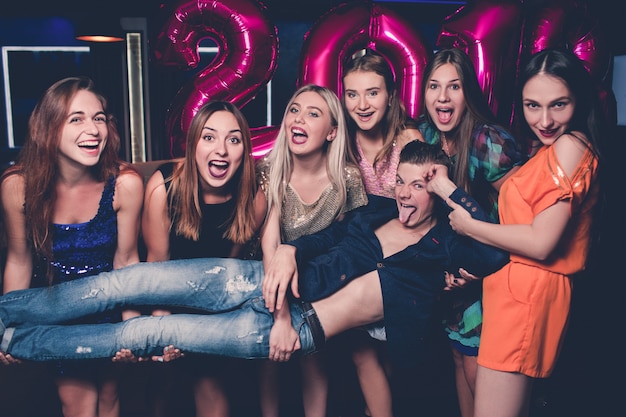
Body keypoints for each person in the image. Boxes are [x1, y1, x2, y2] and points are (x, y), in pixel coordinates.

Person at [0, 142, 508, 417]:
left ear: (439, 193)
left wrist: (450, 190)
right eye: (405, 181)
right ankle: (6, 315)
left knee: (146, 333)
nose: (408, 194)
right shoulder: (373, 213)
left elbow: (494, 251)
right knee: (127, 283)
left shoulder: (445, 246)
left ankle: (17, 344)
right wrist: (286, 249)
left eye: (424, 187)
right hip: (250, 279)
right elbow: (314, 243)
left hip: (290, 329)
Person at [429, 48, 603, 417]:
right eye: (532, 105)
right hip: (509, 296)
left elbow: (542, 242)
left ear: (579, 101)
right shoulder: (549, 150)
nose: (544, 120)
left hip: (526, 299)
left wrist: (471, 226)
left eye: (559, 105)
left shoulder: (572, 145)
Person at [0, 76, 144, 417]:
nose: (93, 129)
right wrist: (8, 327)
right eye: (76, 118)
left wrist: (135, 329)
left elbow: (127, 262)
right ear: (45, 128)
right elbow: (19, 261)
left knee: (109, 402)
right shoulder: (17, 186)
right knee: (78, 406)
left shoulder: (125, 185)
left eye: (99, 118)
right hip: (54, 314)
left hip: (110, 314)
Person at [138, 100, 267, 417]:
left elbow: (229, 272)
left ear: (244, 151)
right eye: (209, 137)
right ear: (193, 144)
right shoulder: (163, 186)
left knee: (210, 384)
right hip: (164, 298)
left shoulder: (255, 198)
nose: (221, 150)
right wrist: (163, 330)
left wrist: (211, 332)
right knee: (161, 388)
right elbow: (156, 265)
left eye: (233, 139)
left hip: (216, 307)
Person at [417, 47, 526, 417]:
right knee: (458, 362)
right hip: (454, 278)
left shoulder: (488, 142)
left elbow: (525, 221)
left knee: (476, 370)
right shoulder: (426, 136)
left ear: (469, 93)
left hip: (495, 274)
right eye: (434, 86)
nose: (442, 97)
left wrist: (478, 274)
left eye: (454, 86)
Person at [255, 84, 367, 417]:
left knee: (314, 356)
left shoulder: (347, 179)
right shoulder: (267, 172)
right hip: (267, 280)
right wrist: (280, 317)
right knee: (268, 358)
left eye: (312, 113)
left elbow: (349, 240)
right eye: (294, 110)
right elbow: (269, 244)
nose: (298, 119)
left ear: (332, 132)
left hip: (318, 286)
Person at [339, 49, 424, 417]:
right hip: (358, 255)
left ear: (390, 95)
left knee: (396, 361)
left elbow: (429, 208)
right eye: (352, 94)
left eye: (372, 92)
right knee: (361, 353)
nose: (362, 104)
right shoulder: (340, 142)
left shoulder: (409, 139)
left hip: (404, 261)